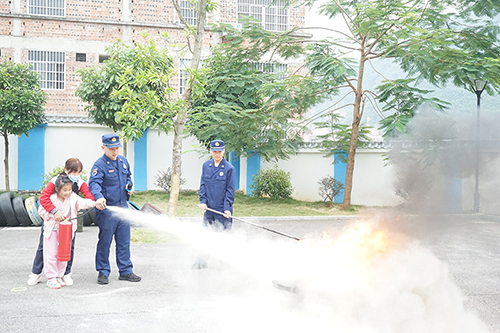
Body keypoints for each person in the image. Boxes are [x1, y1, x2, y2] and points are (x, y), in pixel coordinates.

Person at [27, 158, 95, 286]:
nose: (76, 176)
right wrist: (54, 212)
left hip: (68, 224)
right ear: (66, 170)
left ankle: (65, 274)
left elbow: (89, 198)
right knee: (45, 247)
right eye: (73, 172)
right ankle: (36, 273)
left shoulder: (80, 183)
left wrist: (94, 202)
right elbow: (43, 198)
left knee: (69, 248)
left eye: (78, 172)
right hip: (52, 221)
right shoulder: (55, 182)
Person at [88, 133, 141, 285]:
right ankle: (103, 272)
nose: (115, 152)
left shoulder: (123, 161)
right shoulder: (99, 165)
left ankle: (125, 271)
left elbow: (129, 177)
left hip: (123, 207)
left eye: (117, 148)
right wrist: (98, 197)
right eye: (111, 149)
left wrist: (129, 186)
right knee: (105, 242)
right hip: (107, 210)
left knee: (124, 241)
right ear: (103, 147)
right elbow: (94, 183)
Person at [194, 139, 236, 269]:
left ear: (223, 151)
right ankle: (202, 262)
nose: (217, 154)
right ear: (211, 151)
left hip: (223, 210)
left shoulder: (229, 168)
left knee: (223, 237)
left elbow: (230, 190)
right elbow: (203, 185)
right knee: (206, 235)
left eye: (219, 151)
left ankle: (225, 263)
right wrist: (203, 201)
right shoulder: (206, 166)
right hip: (209, 209)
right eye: (214, 151)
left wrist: (227, 208)